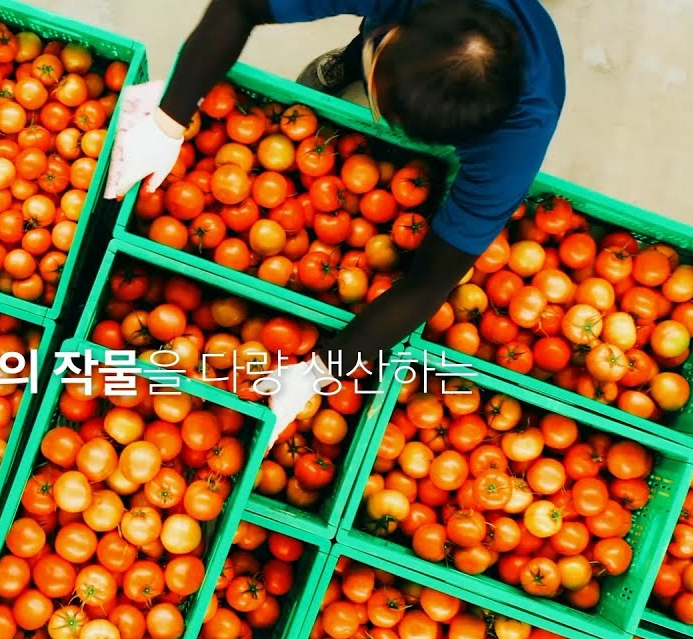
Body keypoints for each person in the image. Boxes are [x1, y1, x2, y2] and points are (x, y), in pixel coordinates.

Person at [104, 0, 566, 447]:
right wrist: (167, 121)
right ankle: (349, 62)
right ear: (395, 28)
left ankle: (364, 75)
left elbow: (427, 286)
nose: (377, 115)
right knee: (347, 76)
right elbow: (240, 4)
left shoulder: (514, 145)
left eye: (391, 116)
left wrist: (320, 370)